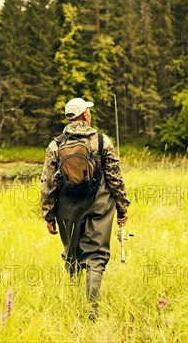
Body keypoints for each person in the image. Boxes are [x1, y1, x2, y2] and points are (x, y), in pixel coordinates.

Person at [40, 97, 130, 321]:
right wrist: (122, 207)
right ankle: (92, 310)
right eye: (88, 110)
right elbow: (115, 177)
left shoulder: (56, 144)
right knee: (96, 256)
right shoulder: (102, 141)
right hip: (99, 205)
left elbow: (48, 183)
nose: (90, 113)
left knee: (72, 255)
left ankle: (72, 302)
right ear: (84, 115)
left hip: (67, 208)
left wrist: (48, 214)